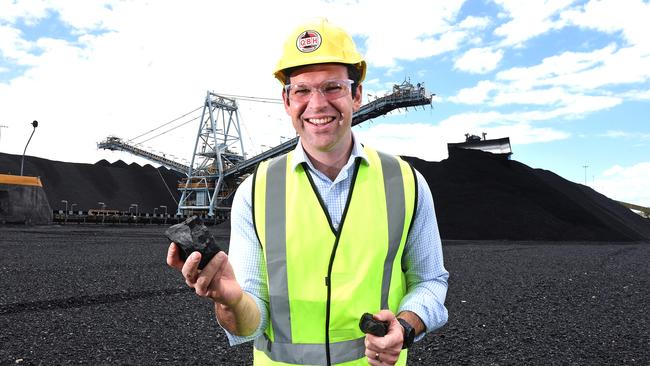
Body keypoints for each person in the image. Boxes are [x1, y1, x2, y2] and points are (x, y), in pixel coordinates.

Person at [167, 18, 448, 366]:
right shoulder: (254, 191)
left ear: (356, 95)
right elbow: (249, 325)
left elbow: (431, 282)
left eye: (332, 87)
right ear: (286, 101)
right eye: (301, 90)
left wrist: (405, 327)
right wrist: (231, 301)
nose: (317, 105)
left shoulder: (406, 182)